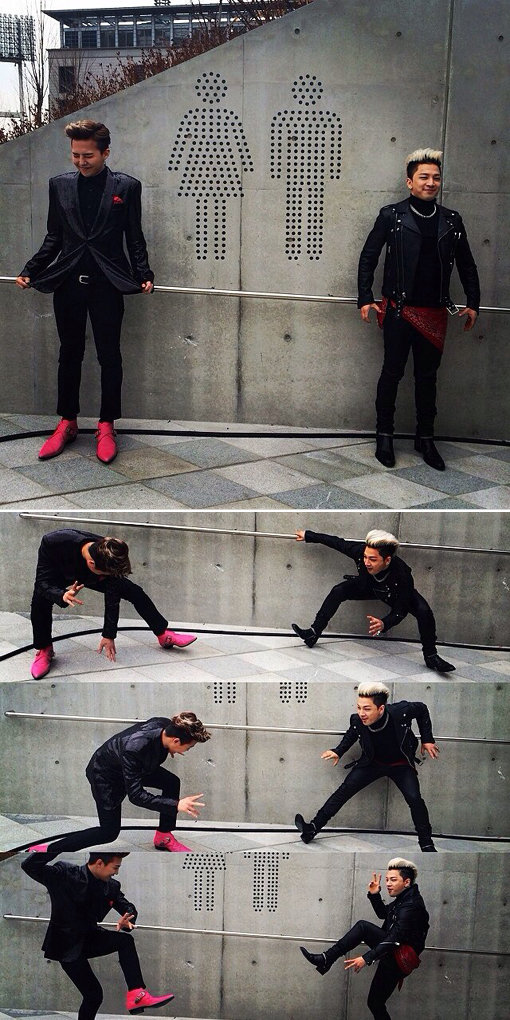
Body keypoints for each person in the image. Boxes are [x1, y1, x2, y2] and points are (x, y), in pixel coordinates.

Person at [15, 119, 154, 464]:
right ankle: (67, 423)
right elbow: (54, 237)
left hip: (108, 283)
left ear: (105, 153)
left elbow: (134, 237)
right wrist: (31, 269)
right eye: (75, 155)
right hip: (68, 282)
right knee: (69, 353)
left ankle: (106, 426)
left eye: (88, 155)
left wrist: (143, 273)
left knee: (110, 355)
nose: (80, 161)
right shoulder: (59, 185)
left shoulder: (127, 187)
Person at [357, 147, 480, 471]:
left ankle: (425, 439)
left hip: (435, 314)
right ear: (410, 182)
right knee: (392, 373)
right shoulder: (391, 216)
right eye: (423, 176)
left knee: (427, 378)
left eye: (435, 177)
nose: (430, 182)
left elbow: (467, 264)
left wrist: (473, 302)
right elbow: (369, 257)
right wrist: (365, 297)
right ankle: (384, 435)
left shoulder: (452, 220)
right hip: (398, 311)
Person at [29, 713, 211, 855]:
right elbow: (136, 796)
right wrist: (175, 805)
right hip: (106, 776)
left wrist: (168, 749)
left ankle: (164, 836)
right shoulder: (135, 748)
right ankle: (50, 849)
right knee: (108, 832)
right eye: (189, 747)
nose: (187, 750)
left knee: (171, 782)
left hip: (135, 766)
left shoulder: (165, 726)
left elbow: (151, 749)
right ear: (176, 740)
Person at [21, 850, 174, 1017]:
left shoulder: (111, 886)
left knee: (125, 941)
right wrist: (59, 847)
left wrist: (128, 919)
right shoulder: (65, 873)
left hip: (91, 937)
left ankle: (136, 994)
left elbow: (128, 908)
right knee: (93, 995)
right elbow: (29, 865)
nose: (116, 872)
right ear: (100, 863)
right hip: (66, 945)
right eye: (115, 867)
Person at [30, 528, 197, 680]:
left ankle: (163, 634)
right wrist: (61, 595)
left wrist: (109, 634)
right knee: (40, 600)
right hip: (58, 574)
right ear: (91, 564)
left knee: (134, 591)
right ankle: (44, 649)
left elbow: (112, 596)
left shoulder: (107, 549)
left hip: (94, 574)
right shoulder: (53, 541)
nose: (108, 577)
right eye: (106, 574)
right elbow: (41, 583)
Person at [294, 681, 439, 852]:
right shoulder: (357, 720)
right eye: (359, 707)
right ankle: (312, 829)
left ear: (381, 708)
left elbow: (422, 709)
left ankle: (426, 843)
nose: (361, 713)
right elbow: (352, 733)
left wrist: (427, 739)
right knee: (343, 791)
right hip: (372, 763)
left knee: (415, 799)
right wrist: (338, 751)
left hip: (401, 764)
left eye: (367, 709)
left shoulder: (401, 712)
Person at [291, 527, 455, 673]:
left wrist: (385, 623)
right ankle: (313, 633)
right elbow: (337, 543)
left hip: (395, 594)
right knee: (338, 591)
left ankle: (431, 656)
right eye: (365, 557)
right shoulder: (360, 552)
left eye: (373, 560)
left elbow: (401, 610)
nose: (367, 562)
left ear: (387, 560)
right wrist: (308, 535)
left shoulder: (403, 573)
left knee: (424, 611)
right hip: (369, 586)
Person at [300, 859, 429, 1020]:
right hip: (393, 957)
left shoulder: (411, 905)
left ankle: (326, 959)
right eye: (387, 879)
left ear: (407, 882)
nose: (388, 884)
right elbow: (383, 914)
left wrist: (366, 958)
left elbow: (395, 938)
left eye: (393, 880)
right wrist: (375, 895)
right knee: (375, 1003)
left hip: (398, 955)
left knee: (363, 927)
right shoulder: (404, 899)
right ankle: (326, 960)